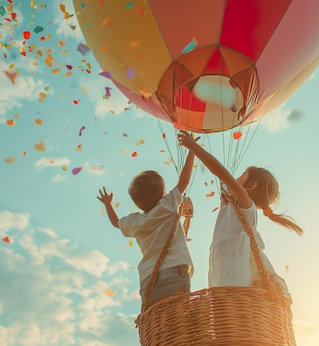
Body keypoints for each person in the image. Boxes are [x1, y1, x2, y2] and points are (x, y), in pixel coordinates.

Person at [178, 131, 302, 302]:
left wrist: (194, 147)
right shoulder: (233, 206)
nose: (237, 176)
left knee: (229, 304)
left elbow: (221, 173)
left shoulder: (246, 204)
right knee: (223, 309)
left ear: (251, 186)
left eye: (243, 174)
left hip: (234, 270)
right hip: (223, 265)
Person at [97, 144, 196, 309]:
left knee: (159, 323)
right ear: (162, 192)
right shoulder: (168, 205)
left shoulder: (135, 222)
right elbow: (184, 181)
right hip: (174, 273)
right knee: (179, 317)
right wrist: (192, 150)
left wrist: (108, 204)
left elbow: (115, 222)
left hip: (148, 281)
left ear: (136, 202)